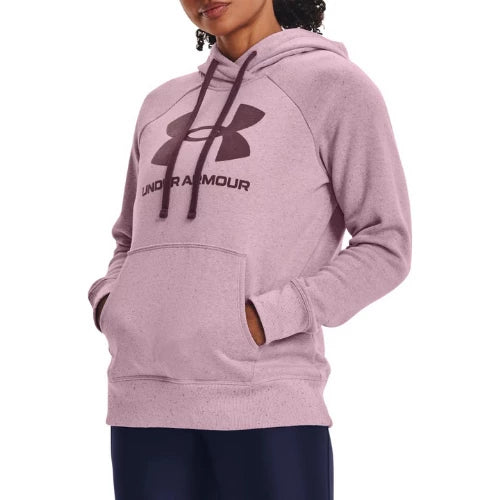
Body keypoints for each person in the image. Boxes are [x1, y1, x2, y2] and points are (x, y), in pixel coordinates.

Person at [87, 0, 412, 498]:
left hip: (267, 404)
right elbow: (129, 239)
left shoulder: (334, 86)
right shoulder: (161, 104)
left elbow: (386, 241)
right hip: (143, 405)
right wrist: (114, 305)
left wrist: (269, 316)